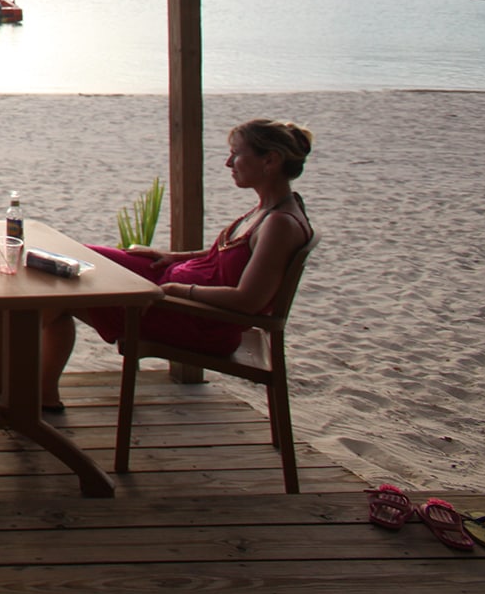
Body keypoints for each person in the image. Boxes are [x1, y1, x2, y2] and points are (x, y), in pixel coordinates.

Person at [39, 119, 315, 410]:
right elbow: (226, 256)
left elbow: (249, 300)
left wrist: (178, 290)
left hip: (196, 320)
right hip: (174, 289)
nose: (228, 162)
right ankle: (34, 389)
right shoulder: (268, 208)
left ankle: (16, 386)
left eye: (236, 154)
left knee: (62, 287)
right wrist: (174, 257)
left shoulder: (279, 225)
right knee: (70, 258)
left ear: (270, 160)